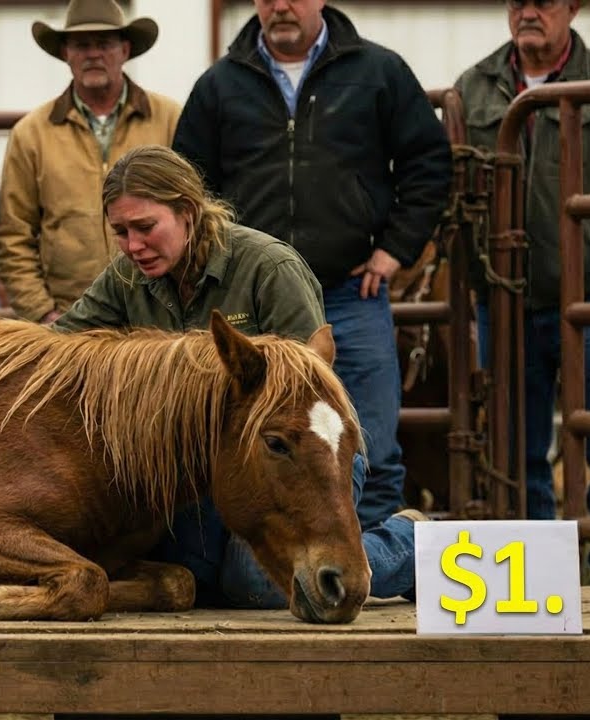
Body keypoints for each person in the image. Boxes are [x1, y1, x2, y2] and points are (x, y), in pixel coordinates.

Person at [0, 145, 422, 606]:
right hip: (210, 476)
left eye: (146, 227)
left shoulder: (269, 267)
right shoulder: (127, 275)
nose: (133, 245)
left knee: (254, 583)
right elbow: (60, 346)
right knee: (182, 564)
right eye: (121, 232)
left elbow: (308, 397)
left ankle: (407, 544)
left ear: (188, 212)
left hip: (299, 460)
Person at [172, 0, 452, 531]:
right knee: (256, 444)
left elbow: (428, 162)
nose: (280, 6)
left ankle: (364, 575)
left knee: (371, 443)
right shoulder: (219, 86)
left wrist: (395, 248)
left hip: (350, 292)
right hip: (253, 303)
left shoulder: (378, 73)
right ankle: (314, 564)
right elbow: (190, 185)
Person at [455, 0, 590, 584]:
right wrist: (476, 268)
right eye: (517, 2)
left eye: (543, 1)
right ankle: (542, 581)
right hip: (504, 302)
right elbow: (454, 184)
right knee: (514, 454)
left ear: (572, 7)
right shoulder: (473, 88)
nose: (528, 12)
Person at [0, 0, 180, 324]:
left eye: (104, 43)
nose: (93, 54)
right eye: (81, 44)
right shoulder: (31, 134)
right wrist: (43, 313)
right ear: (66, 52)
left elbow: (195, 211)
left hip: (158, 315)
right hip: (71, 316)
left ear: (124, 49)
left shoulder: (170, 119)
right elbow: (13, 235)